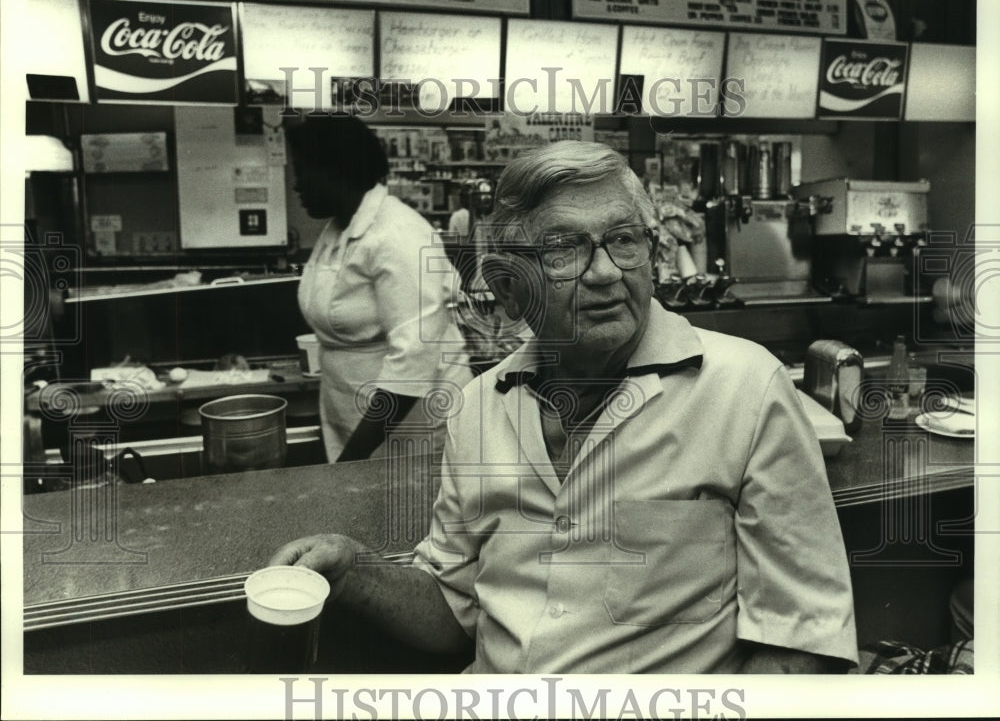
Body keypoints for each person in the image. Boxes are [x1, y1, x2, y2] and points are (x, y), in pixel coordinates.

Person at [271, 140, 858, 673]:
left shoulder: (743, 388)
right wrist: (352, 568)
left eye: (624, 240)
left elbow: (803, 633)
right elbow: (455, 608)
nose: (604, 272)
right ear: (505, 287)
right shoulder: (478, 407)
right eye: (562, 249)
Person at [287, 115, 471, 463]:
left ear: (337, 170)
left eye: (301, 171)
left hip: (408, 424)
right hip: (354, 415)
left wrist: (351, 460)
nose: (296, 186)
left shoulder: (398, 234)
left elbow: (414, 356)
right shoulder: (337, 230)